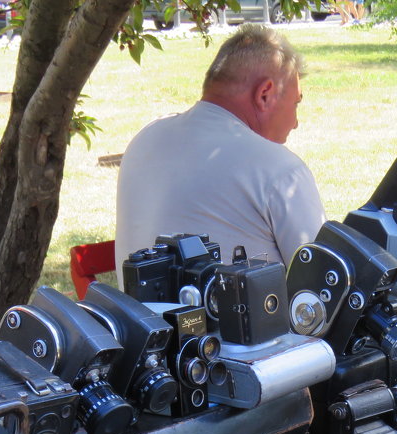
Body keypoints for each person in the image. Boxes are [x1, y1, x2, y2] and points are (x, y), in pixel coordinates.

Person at [115, 24, 326, 281]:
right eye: (295, 104)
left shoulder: (144, 138)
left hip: (134, 318)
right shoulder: (280, 170)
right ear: (265, 94)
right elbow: (324, 282)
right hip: (221, 320)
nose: (295, 122)